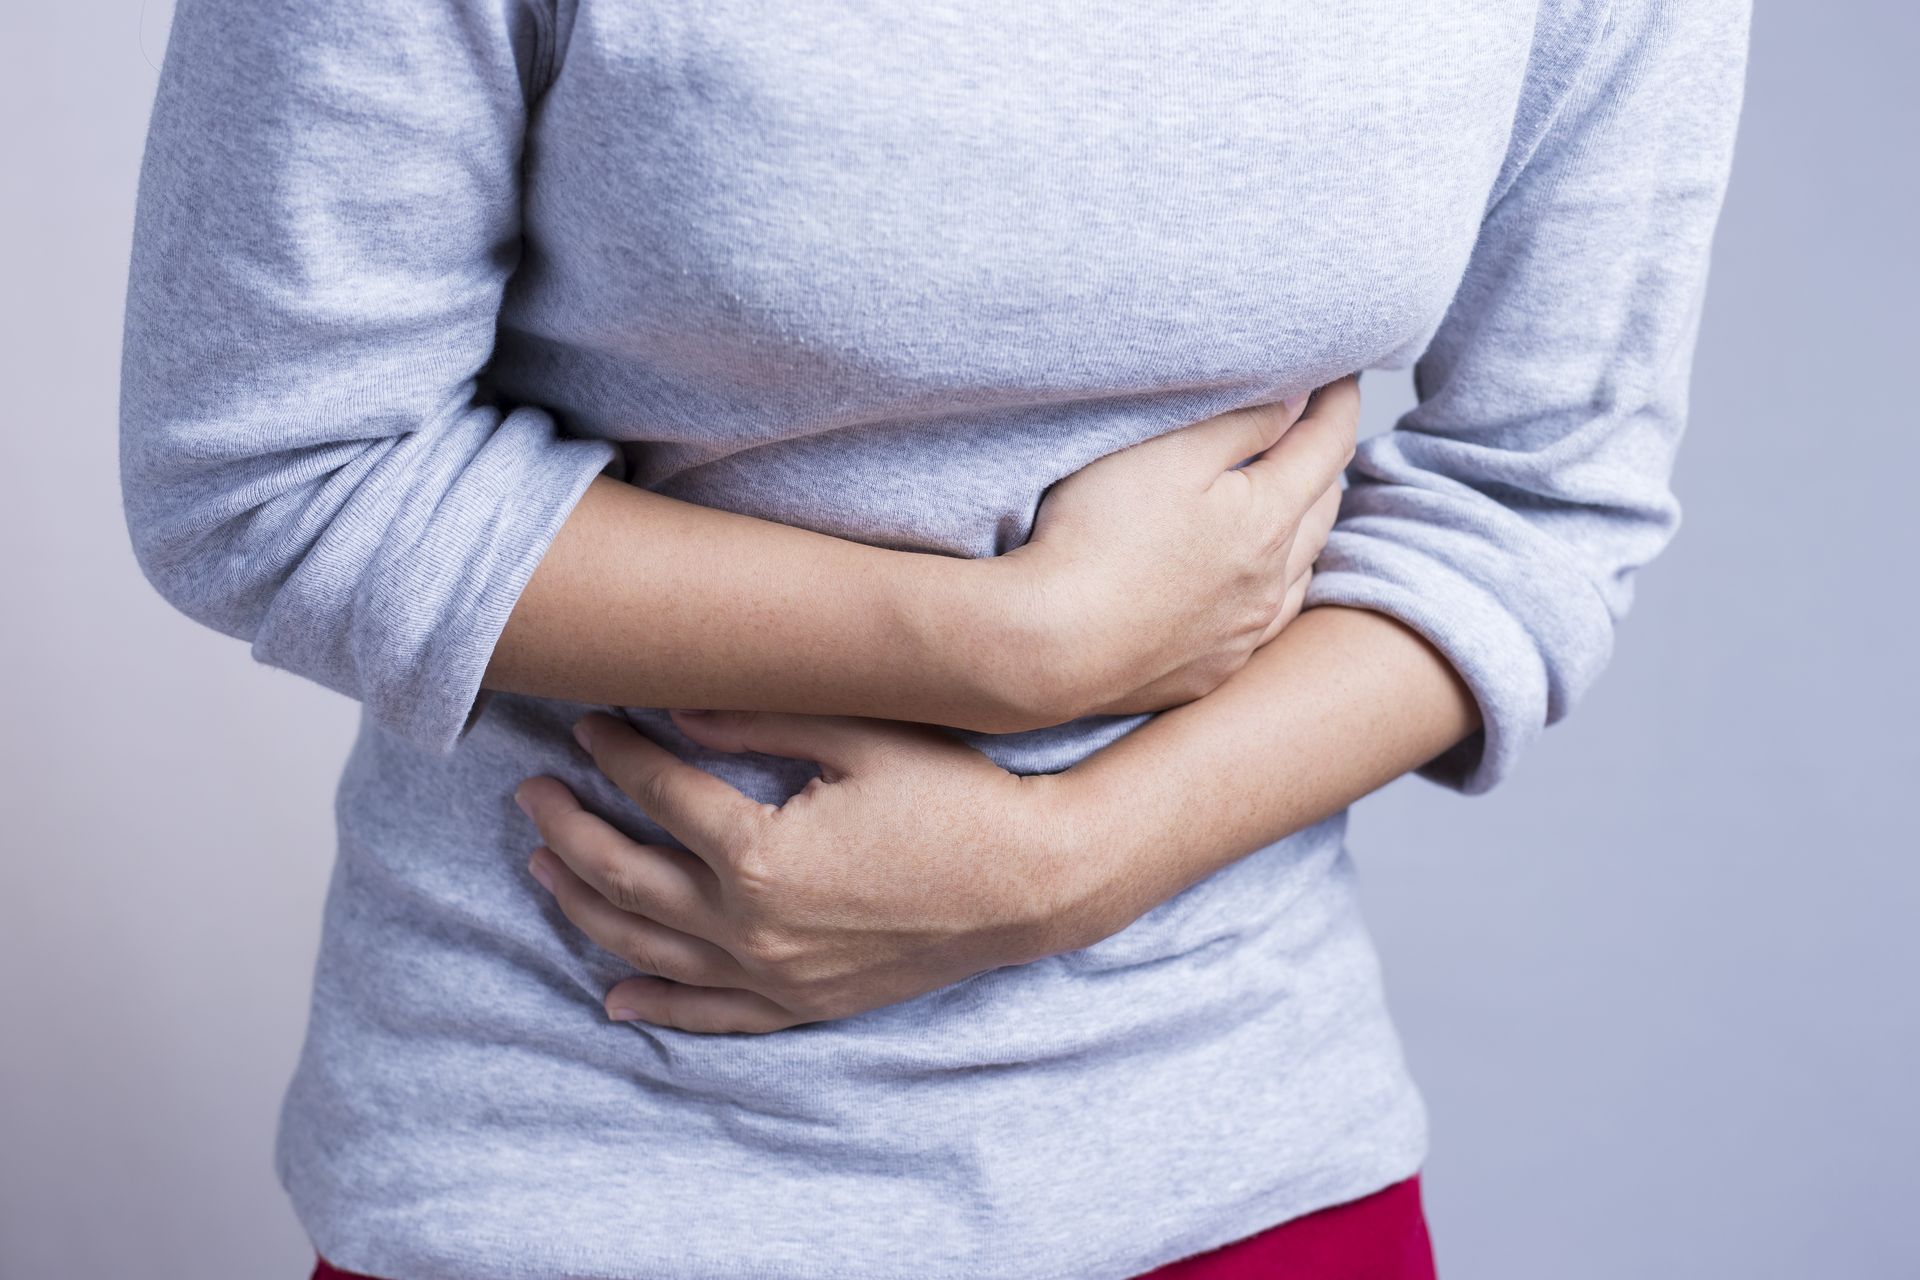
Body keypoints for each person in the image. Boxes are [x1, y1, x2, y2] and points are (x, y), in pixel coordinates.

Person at [117, 0, 1750, 1276]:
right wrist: (1015, 645)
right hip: (578, 1166)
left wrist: (1068, 863)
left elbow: (1540, 496)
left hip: (1240, 1167)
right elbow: (277, 471)